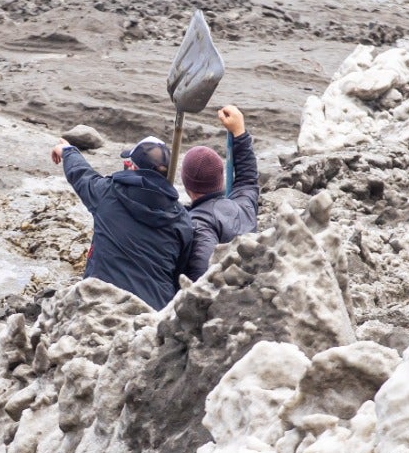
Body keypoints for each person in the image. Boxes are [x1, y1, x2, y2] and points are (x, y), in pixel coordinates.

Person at [50, 134, 194, 310]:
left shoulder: (106, 193)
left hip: (101, 306)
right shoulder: (183, 220)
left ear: (133, 167)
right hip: (153, 314)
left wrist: (68, 151)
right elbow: (180, 274)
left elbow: (81, 174)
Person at [179, 105, 261, 281]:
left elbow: (203, 278)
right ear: (221, 179)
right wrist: (239, 131)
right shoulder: (244, 206)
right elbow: (247, 179)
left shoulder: (198, 223)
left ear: (186, 185)